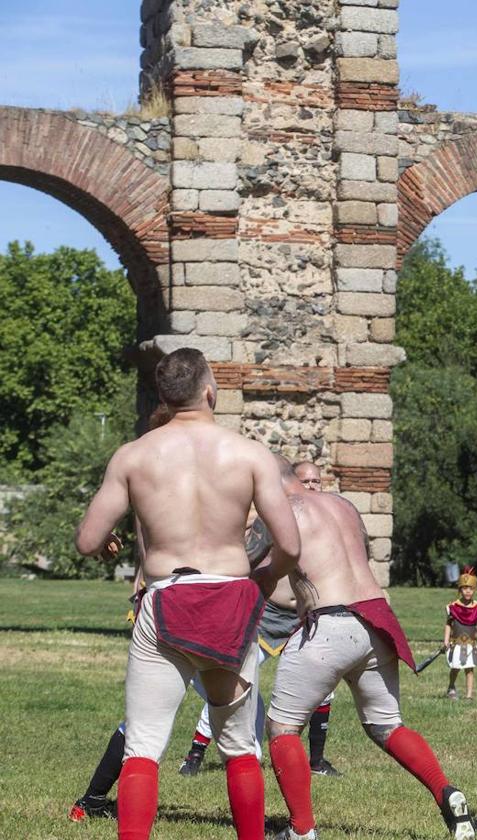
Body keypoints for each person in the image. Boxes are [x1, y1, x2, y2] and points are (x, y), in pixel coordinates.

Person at [74, 348, 302, 840]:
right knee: (239, 746)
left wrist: (110, 545)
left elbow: (88, 540)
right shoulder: (248, 454)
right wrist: (262, 581)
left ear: (164, 396)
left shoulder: (134, 455)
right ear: (209, 391)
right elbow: (290, 544)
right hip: (230, 599)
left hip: (166, 596)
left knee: (144, 746)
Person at [263, 458, 474, 840]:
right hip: (376, 620)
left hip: (328, 623)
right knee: (387, 725)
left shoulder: (288, 510)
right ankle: (447, 793)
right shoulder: (343, 506)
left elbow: (270, 571)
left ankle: (301, 829)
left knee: (282, 728)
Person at [182, 464, 342, 778]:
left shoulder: (327, 520)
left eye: (316, 481)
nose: (311, 486)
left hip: (305, 618)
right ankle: (195, 754)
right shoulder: (276, 519)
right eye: (305, 480)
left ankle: (317, 761)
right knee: (236, 686)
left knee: (325, 689)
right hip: (268, 616)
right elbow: (245, 557)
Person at [444, 569, 477, 701]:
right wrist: (446, 640)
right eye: (464, 588)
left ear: (475, 590)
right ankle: (451, 686)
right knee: (456, 668)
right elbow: (448, 624)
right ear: (460, 590)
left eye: (470, 588)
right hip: (457, 644)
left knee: (470, 669)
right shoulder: (453, 607)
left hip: (471, 645)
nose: (467, 591)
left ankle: (469, 695)